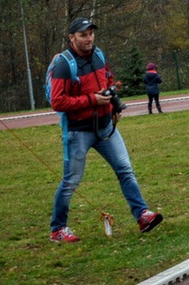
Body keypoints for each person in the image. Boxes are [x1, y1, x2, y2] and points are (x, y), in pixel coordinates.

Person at [49, 18, 163, 243]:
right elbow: (58, 101)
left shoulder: (99, 56)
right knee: (71, 181)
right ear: (72, 38)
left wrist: (114, 106)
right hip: (78, 132)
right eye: (83, 35)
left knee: (125, 169)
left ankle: (142, 215)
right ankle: (58, 229)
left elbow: (108, 82)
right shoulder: (64, 64)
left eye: (91, 33)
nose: (89, 38)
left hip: (105, 127)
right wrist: (93, 99)